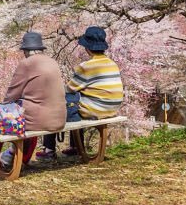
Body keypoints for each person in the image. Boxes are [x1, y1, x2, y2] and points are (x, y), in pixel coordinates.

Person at [0, 31, 65, 169]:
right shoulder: (52, 62)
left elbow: (12, 93)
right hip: (59, 118)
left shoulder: (26, 63)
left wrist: (3, 106)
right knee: (24, 113)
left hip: (39, 120)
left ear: (25, 50)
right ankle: (11, 154)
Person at [37, 25, 124, 160]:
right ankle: (75, 146)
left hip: (95, 110)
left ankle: (49, 149)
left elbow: (70, 89)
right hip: (112, 108)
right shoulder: (113, 64)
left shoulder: (86, 66)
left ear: (87, 48)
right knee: (76, 103)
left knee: (57, 104)